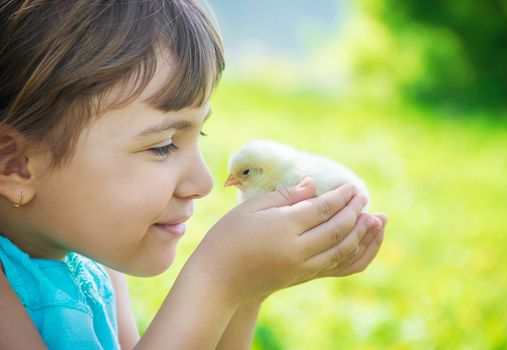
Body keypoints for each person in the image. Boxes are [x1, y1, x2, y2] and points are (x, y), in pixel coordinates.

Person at [0, 0, 388, 349]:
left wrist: (246, 292)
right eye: (163, 144)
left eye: (198, 132)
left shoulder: (93, 266)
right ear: (14, 165)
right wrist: (218, 281)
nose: (203, 183)